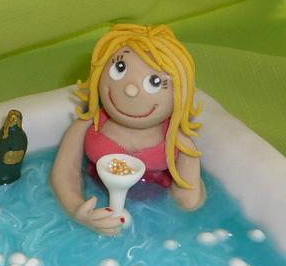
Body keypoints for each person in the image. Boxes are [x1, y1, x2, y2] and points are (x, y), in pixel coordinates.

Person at [51, 24, 205, 236]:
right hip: (97, 196)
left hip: (156, 219)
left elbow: (188, 203)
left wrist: (189, 159)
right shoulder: (87, 125)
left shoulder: (176, 139)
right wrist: (79, 210)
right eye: (119, 68)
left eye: (154, 82)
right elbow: (64, 175)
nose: (130, 89)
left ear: (181, 94)